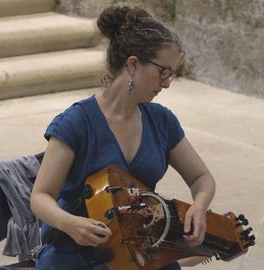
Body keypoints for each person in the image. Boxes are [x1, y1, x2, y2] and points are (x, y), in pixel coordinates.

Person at [30, 5, 216, 270]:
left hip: (137, 252)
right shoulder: (77, 123)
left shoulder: (162, 121)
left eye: (171, 73)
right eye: (163, 71)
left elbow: (201, 178)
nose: (167, 82)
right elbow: (40, 196)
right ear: (132, 64)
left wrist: (199, 206)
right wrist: (69, 223)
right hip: (75, 254)